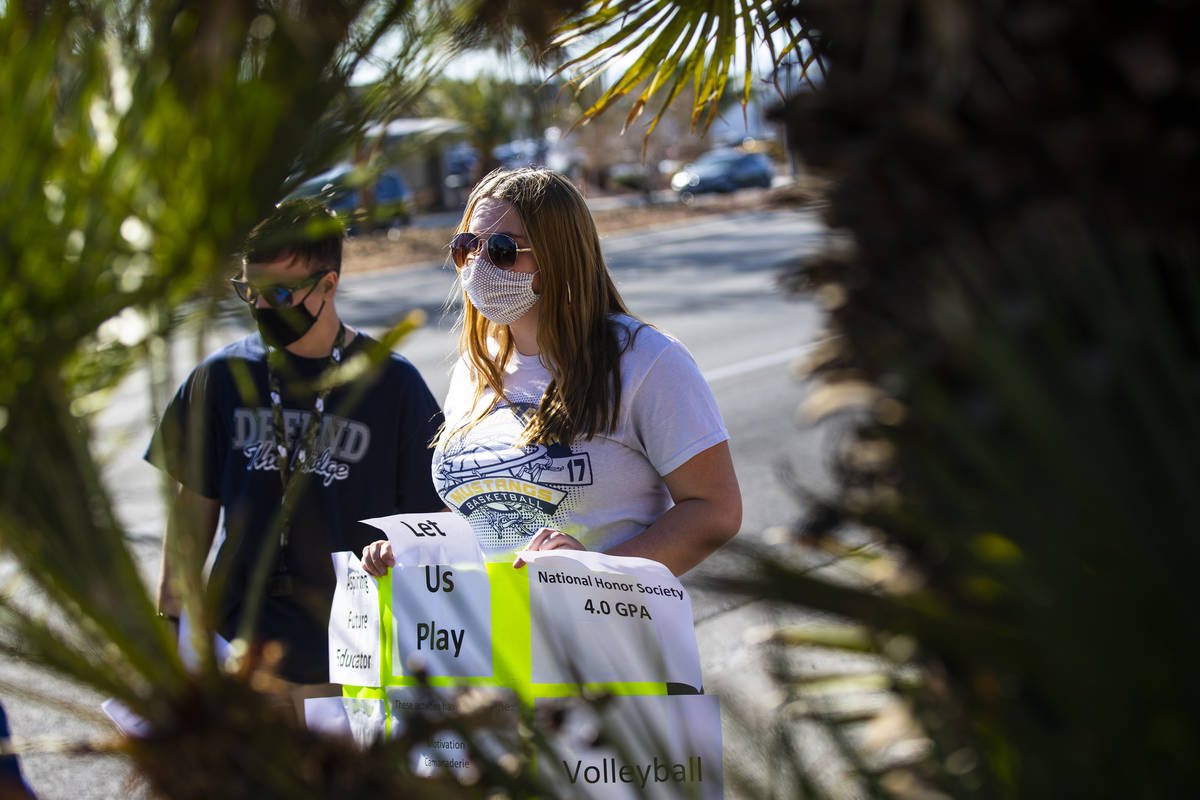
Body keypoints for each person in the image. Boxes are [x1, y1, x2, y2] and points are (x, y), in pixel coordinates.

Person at [362, 168, 741, 578]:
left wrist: (596, 570)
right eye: (467, 247)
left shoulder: (646, 359)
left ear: (559, 254)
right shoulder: (476, 367)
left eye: (504, 249)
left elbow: (714, 510)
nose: (478, 265)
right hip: (498, 636)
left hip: (602, 634)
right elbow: (479, 508)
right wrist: (414, 550)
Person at [147, 199, 444, 716]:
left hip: (352, 655)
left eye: (281, 293)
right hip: (237, 649)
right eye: (250, 292)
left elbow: (429, 527)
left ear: (328, 286)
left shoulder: (393, 385)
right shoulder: (220, 378)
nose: (263, 308)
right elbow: (191, 514)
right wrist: (170, 629)